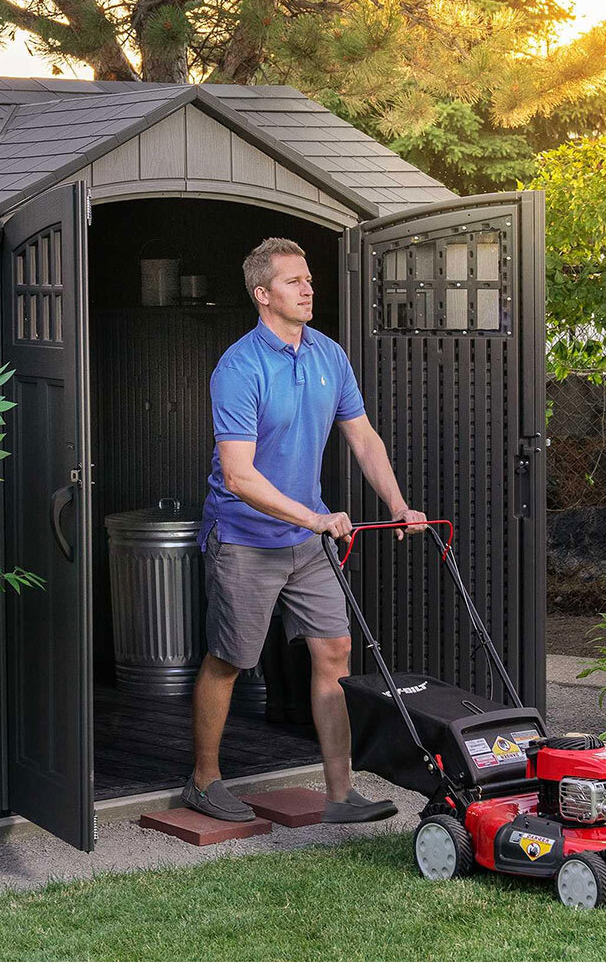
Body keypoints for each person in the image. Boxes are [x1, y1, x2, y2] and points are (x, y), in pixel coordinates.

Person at [182, 237, 428, 824]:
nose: (308, 288)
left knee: (335, 650)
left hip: (307, 542)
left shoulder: (328, 355)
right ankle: (203, 778)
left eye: (309, 279)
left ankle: (340, 794)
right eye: (294, 282)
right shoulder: (239, 368)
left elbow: (362, 436)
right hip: (244, 537)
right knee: (229, 660)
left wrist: (397, 503)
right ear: (263, 295)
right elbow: (240, 477)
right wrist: (316, 517)